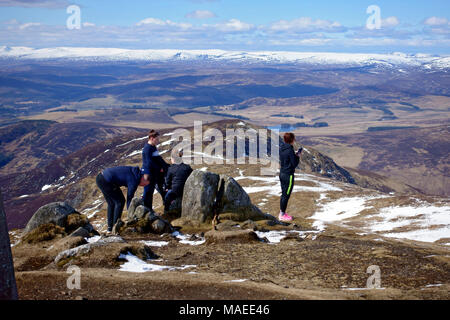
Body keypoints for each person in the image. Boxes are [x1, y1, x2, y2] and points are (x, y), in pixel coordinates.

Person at [96, 166, 149, 234]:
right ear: (144, 179)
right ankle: (115, 228)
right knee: (120, 202)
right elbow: (130, 198)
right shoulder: (134, 180)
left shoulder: (135, 172)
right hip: (106, 182)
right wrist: (130, 214)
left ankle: (110, 229)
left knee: (111, 203)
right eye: (145, 184)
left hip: (100, 178)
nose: (143, 186)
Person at [142, 129, 169, 214]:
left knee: (150, 192)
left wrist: (165, 166)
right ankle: (146, 210)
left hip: (154, 173)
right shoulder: (147, 149)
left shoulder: (153, 147)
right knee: (148, 192)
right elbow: (149, 163)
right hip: (148, 174)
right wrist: (159, 168)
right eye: (157, 139)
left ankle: (149, 210)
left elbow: (158, 158)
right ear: (151, 138)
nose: (158, 141)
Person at [278, 132, 302, 222]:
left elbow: (287, 159)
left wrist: (294, 155)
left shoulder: (282, 148)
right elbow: (294, 164)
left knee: (284, 194)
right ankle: (282, 215)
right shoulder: (290, 150)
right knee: (286, 195)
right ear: (292, 140)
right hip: (289, 175)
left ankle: (282, 212)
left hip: (282, 173)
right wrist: (298, 156)